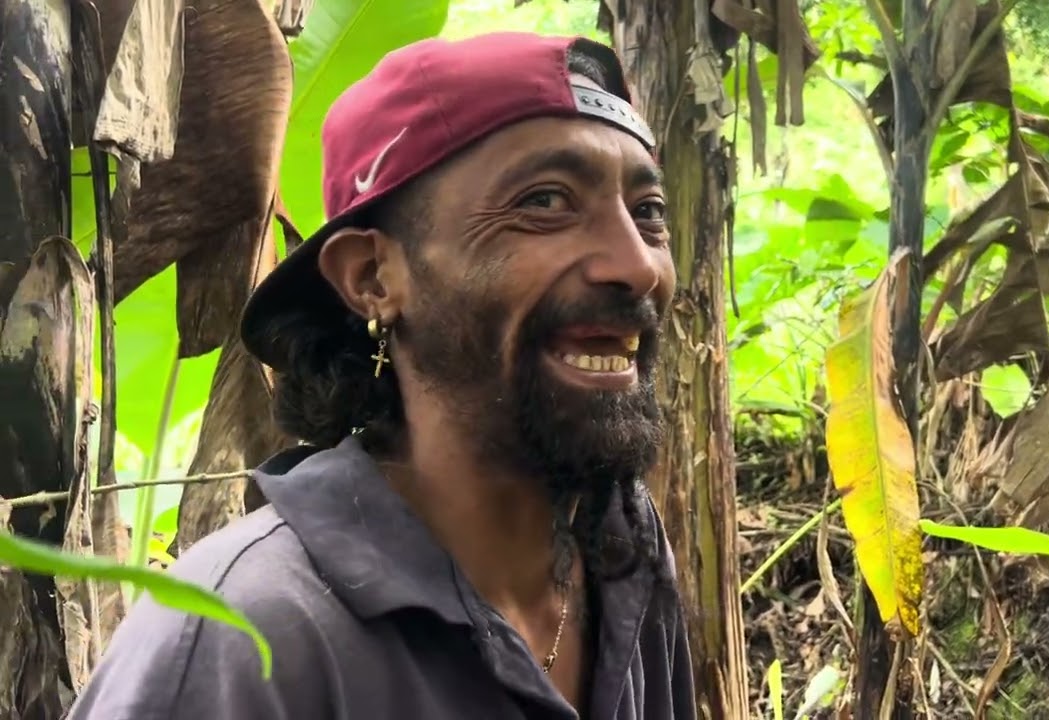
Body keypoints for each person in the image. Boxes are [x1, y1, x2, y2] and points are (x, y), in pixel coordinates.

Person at [67, 31, 696, 720]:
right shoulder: (243, 638)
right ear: (372, 278)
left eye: (648, 213)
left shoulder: (622, 555)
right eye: (545, 203)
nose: (638, 266)